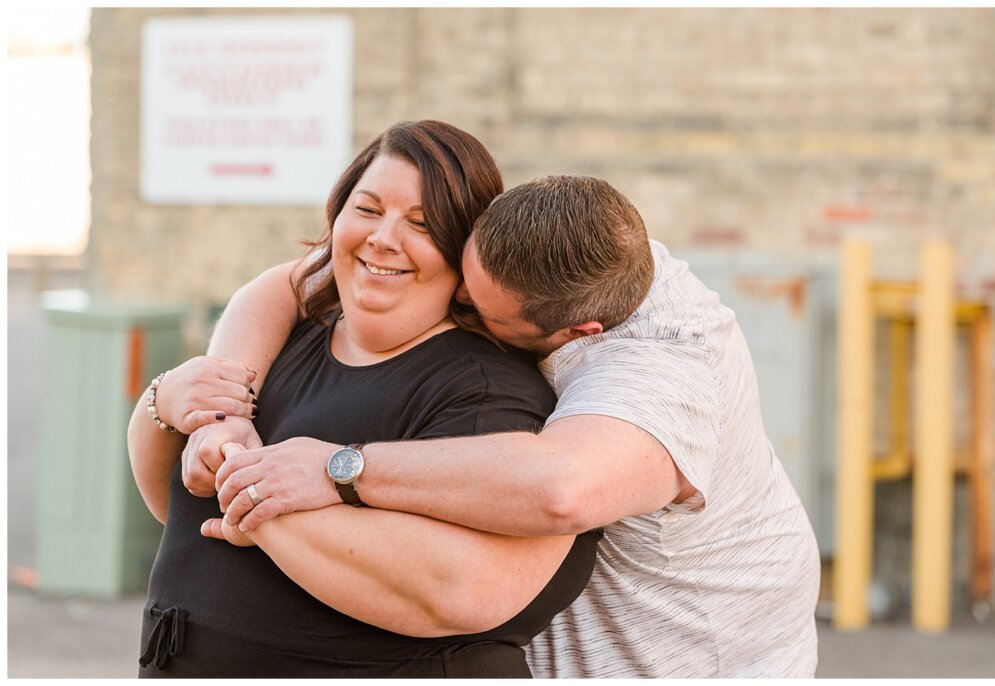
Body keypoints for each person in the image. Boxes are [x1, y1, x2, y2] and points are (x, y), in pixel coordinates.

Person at [178, 176, 821, 678]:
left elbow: (558, 489)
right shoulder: (564, 243)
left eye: (474, 310)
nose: (454, 305)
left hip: (686, 656)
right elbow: (291, 281)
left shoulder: (666, 371)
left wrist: (336, 469)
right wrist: (223, 403)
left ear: (576, 334)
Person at [125, 120, 600, 678]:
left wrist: (254, 504)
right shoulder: (280, 336)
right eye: (368, 209)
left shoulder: (482, 389)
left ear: (467, 252)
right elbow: (175, 508)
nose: (383, 238)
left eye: (421, 224)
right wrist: (164, 403)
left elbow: (449, 588)